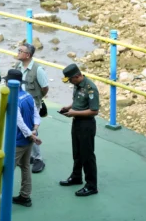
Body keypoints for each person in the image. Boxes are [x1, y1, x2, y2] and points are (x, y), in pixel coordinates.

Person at [0, 70, 42, 212]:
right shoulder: (28, 96)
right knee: (25, 167)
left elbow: (19, 122)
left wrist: (30, 135)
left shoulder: (14, 100)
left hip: (18, 141)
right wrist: (34, 130)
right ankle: (25, 196)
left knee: (5, 171)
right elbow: (36, 115)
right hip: (29, 140)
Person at [58, 63, 100, 197]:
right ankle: (76, 176)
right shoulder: (77, 86)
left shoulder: (90, 88)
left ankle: (91, 185)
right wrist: (68, 107)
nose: (69, 82)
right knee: (77, 152)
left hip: (86, 125)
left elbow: (94, 111)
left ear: (76, 76)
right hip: (76, 122)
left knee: (87, 155)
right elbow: (77, 101)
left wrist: (74, 113)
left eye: (70, 79)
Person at [14, 42, 49, 173]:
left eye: (20, 51)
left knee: (31, 128)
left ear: (27, 55)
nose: (17, 52)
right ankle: (29, 154)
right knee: (24, 128)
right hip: (20, 103)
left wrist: (37, 100)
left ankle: (38, 158)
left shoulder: (38, 70)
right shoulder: (18, 66)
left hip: (32, 104)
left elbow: (45, 88)